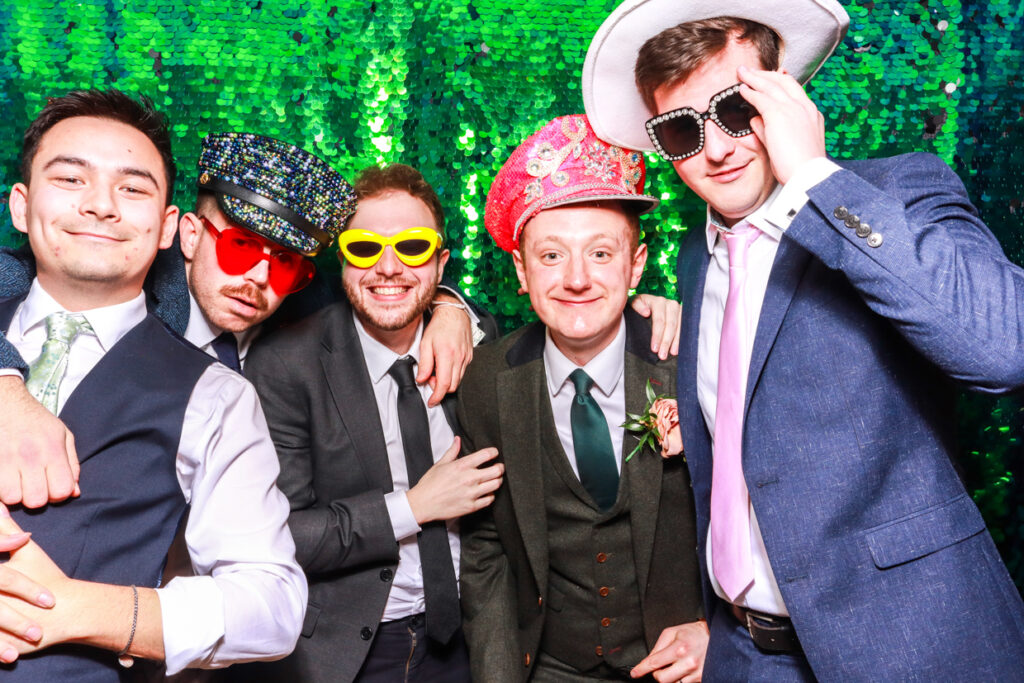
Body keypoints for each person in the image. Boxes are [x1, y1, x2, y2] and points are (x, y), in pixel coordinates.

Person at [581, 0, 1024, 679]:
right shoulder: (697, 259)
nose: (718, 149)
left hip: (911, 646)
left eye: (735, 110)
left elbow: (1002, 345)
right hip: (744, 655)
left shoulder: (896, 191)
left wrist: (815, 180)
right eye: (681, 131)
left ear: (784, 92)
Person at [0, 130, 484, 510]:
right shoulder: (132, 271)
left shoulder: (305, 301)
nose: (258, 277)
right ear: (187, 235)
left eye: (285, 262)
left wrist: (449, 304)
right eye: (239, 247)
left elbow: (388, 289)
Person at [0, 89, 306, 680]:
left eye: (133, 188)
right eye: (70, 178)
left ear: (167, 227)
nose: (101, 206)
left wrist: (76, 608)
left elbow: (272, 606)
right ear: (20, 205)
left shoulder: (217, 395)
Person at [458, 115, 707, 683]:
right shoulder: (487, 378)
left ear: (636, 264)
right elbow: (488, 548)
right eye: (551, 256)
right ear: (521, 270)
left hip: (682, 667)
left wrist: (718, 628)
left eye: (600, 253)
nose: (576, 280)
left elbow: (755, 516)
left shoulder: (691, 360)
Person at [240, 163, 502, 682]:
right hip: (345, 651)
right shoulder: (286, 363)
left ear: (441, 263)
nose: (388, 267)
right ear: (342, 261)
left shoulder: (479, 344)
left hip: (470, 641)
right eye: (364, 248)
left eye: (412, 248)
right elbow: (281, 535)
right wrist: (413, 508)